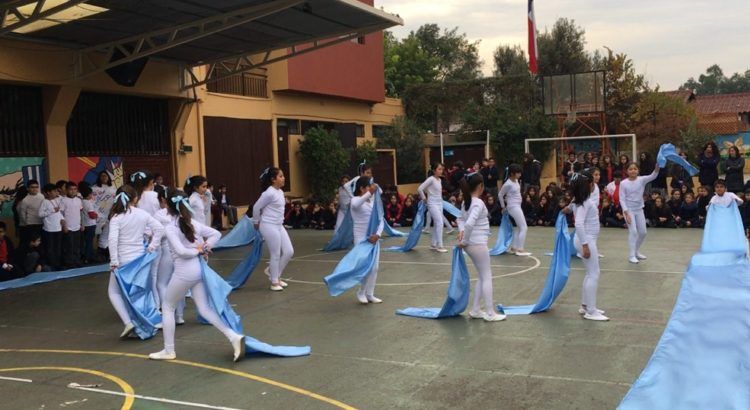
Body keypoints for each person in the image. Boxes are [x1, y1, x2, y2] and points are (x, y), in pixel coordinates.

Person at [149, 193, 245, 362]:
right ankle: (233, 336)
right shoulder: (192, 223)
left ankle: (169, 350)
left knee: (168, 307)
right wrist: (205, 247)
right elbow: (216, 234)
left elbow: (181, 251)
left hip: (184, 272)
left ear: (168, 207)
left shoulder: (171, 228)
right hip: (199, 270)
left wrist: (200, 250)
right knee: (204, 308)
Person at [108, 185, 164, 338]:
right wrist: (152, 246)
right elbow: (159, 229)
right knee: (141, 292)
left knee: (114, 292)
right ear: (135, 198)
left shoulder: (116, 217)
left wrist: (114, 261)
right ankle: (151, 321)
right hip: (140, 259)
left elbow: (112, 240)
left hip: (123, 261)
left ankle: (129, 322)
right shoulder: (142, 214)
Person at [457, 173, 506, 322]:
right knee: (486, 276)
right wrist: (464, 240)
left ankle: (476, 309)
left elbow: (460, 220)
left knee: (481, 275)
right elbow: (469, 223)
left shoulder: (466, 202)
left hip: (472, 244)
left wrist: (462, 235)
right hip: (477, 244)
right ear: (480, 186)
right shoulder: (477, 202)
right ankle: (490, 313)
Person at [571, 172, 609, 321]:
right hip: (586, 239)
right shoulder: (583, 203)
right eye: (592, 183)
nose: (594, 185)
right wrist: (585, 245)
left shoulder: (581, 201)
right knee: (594, 274)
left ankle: (585, 305)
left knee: (590, 273)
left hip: (585, 239)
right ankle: (591, 311)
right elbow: (579, 223)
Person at [253, 167, 293, 291]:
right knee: (275, 253)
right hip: (268, 225)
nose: (283, 178)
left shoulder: (280, 192)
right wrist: (256, 222)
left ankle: (275, 275)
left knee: (289, 251)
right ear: (273, 179)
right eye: (280, 176)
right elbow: (256, 207)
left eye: (283, 176)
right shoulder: (269, 193)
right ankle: (274, 282)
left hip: (279, 225)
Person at [152, 186, 184, 326]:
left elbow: (155, 232)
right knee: (180, 283)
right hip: (183, 253)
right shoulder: (183, 213)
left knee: (162, 283)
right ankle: (180, 315)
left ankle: (168, 313)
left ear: (163, 200)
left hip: (167, 251)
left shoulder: (160, 214)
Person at [351, 177, 384, 304]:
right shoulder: (355, 200)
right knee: (365, 267)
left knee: (374, 268)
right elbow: (356, 204)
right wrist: (370, 192)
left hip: (374, 238)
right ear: (361, 188)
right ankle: (361, 292)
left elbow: (381, 219)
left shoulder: (373, 202)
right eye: (368, 187)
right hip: (361, 239)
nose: (371, 189)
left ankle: (370, 294)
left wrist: (378, 235)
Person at [619, 161, 661, 264]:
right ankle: (631, 255)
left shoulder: (642, 180)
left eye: (635, 169)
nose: (633, 171)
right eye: (630, 169)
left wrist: (657, 167)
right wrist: (626, 213)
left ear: (638, 170)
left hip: (639, 209)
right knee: (633, 232)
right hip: (628, 210)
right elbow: (622, 199)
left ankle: (636, 251)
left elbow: (653, 176)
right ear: (627, 171)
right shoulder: (623, 183)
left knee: (643, 232)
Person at [498, 164, 531, 256]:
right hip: (513, 207)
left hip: (517, 206)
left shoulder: (516, 181)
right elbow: (500, 194)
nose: (520, 174)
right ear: (512, 173)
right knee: (524, 227)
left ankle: (514, 247)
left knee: (520, 227)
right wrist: (503, 207)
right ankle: (520, 249)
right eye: (518, 173)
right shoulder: (508, 184)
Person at [419, 163, 449, 253]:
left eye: (442, 169)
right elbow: (420, 189)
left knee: (437, 223)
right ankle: (440, 246)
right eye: (439, 169)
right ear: (434, 170)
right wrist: (424, 199)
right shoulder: (430, 179)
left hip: (439, 203)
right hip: (432, 203)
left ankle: (433, 244)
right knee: (440, 223)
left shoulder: (439, 180)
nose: (441, 171)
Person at [39, 183, 65, 270]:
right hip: (49, 229)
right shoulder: (44, 202)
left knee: (58, 248)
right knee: (50, 248)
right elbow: (40, 214)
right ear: (48, 192)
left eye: (56, 191)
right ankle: (52, 265)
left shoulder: (56, 200)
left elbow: (58, 213)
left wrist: (62, 220)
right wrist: (51, 211)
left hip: (58, 228)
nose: (56, 193)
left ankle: (57, 264)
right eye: (54, 191)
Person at [92, 170, 116, 261]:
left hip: (109, 214)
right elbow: (92, 202)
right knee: (97, 234)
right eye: (102, 176)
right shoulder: (94, 188)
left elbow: (115, 202)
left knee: (108, 234)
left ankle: (106, 253)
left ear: (108, 178)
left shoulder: (113, 189)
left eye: (106, 176)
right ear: (99, 177)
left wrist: (112, 212)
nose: (104, 177)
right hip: (97, 215)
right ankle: (98, 253)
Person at [61, 181, 83, 269]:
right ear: (66, 190)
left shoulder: (79, 200)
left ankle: (77, 261)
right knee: (69, 246)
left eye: (75, 189)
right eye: (71, 189)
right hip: (68, 227)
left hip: (77, 226)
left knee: (77, 246)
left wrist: (82, 224)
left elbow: (80, 213)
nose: (73, 191)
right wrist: (64, 226)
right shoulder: (63, 201)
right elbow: (61, 214)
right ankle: (69, 263)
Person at [17, 179, 44, 247]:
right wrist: (26, 223)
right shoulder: (25, 200)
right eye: (32, 187)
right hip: (31, 225)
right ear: (28, 188)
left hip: (41, 223)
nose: (35, 189)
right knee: (34, 244)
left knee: (42, 243)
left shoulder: (41, 196)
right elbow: (22, 214)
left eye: (36, 187)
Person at [80, 184, 99, 264]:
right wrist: (97, 215)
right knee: (89, 242)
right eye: (91, 194)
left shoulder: (81, 201)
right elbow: (92, 215)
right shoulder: (88, 203)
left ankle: (86, 257)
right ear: (88, 195)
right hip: (90, 224)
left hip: (85, 224)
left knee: (86, 241)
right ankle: (88, 258)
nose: (92, 195)